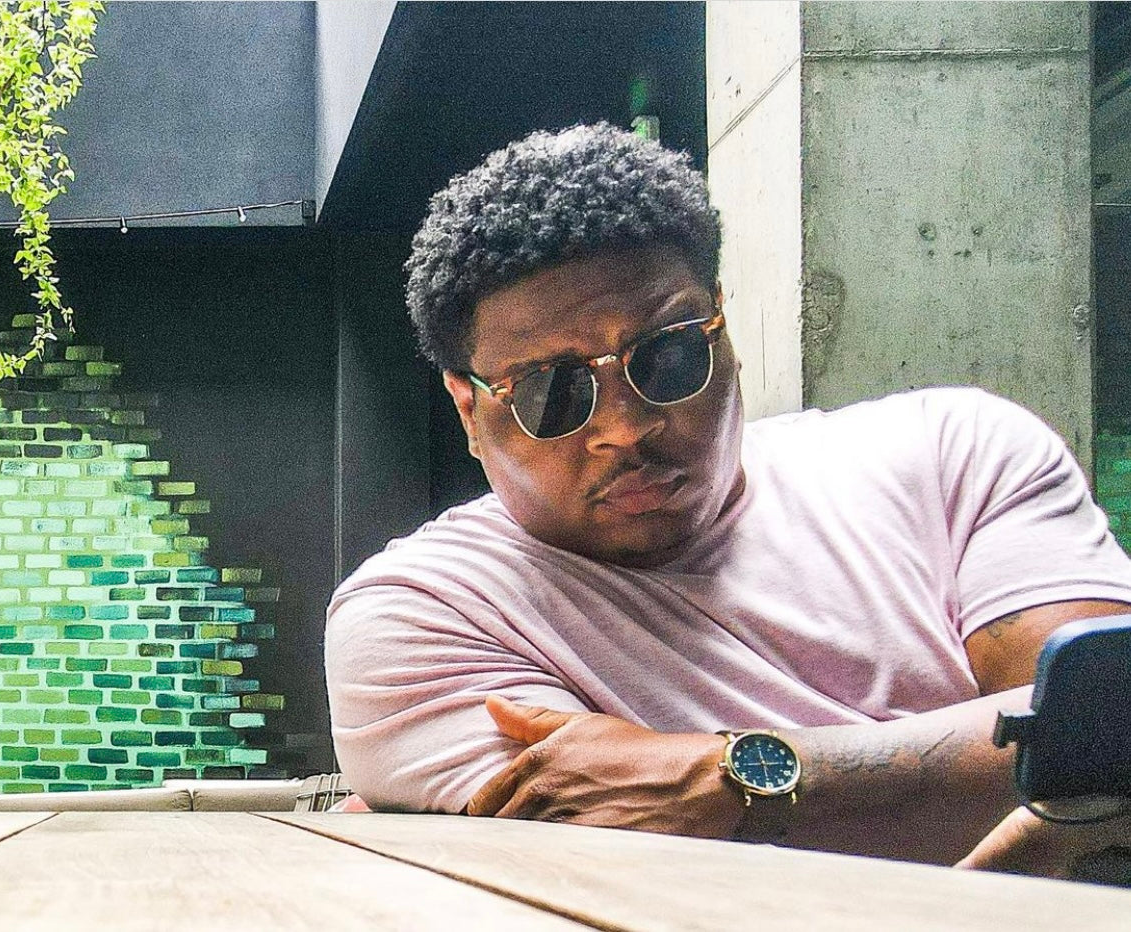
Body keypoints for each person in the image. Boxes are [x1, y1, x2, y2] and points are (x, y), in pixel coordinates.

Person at [324, 122, 1131, 866]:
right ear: (469, 410)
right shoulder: (422, 612)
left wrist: (729, 783)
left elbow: (1108, 741)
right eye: (552, 391)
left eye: (668, 354)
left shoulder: (956, 453)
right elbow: (636, 879)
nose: (625, 427)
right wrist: (1028, 802)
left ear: (724, 326)